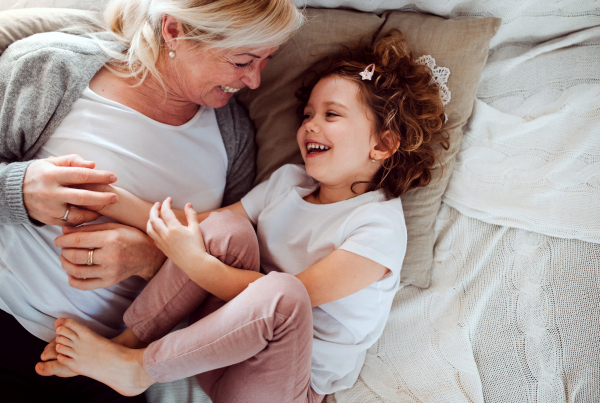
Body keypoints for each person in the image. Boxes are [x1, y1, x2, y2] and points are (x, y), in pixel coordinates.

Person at [40, 30, 449, 402]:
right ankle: (128, 343)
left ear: (383, 144)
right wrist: (111, 198)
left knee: (287, 295)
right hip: (211, 353)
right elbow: (196, 227)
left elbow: (285, 303)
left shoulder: (378, 227)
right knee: (225, 228)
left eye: (331, 115)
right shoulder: (287, 182)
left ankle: (140, 368)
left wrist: (194, 262)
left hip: (279, 385)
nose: (310, 126)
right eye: (307, 114)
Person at [0, 0, 304, 402]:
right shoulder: (52, 67)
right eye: (242, 60)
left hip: (99, 367)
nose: (254, 81)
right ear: (174, 31)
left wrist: (152, 261)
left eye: (267, 60)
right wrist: (17, 189)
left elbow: (223, 290)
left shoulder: (234, 140)